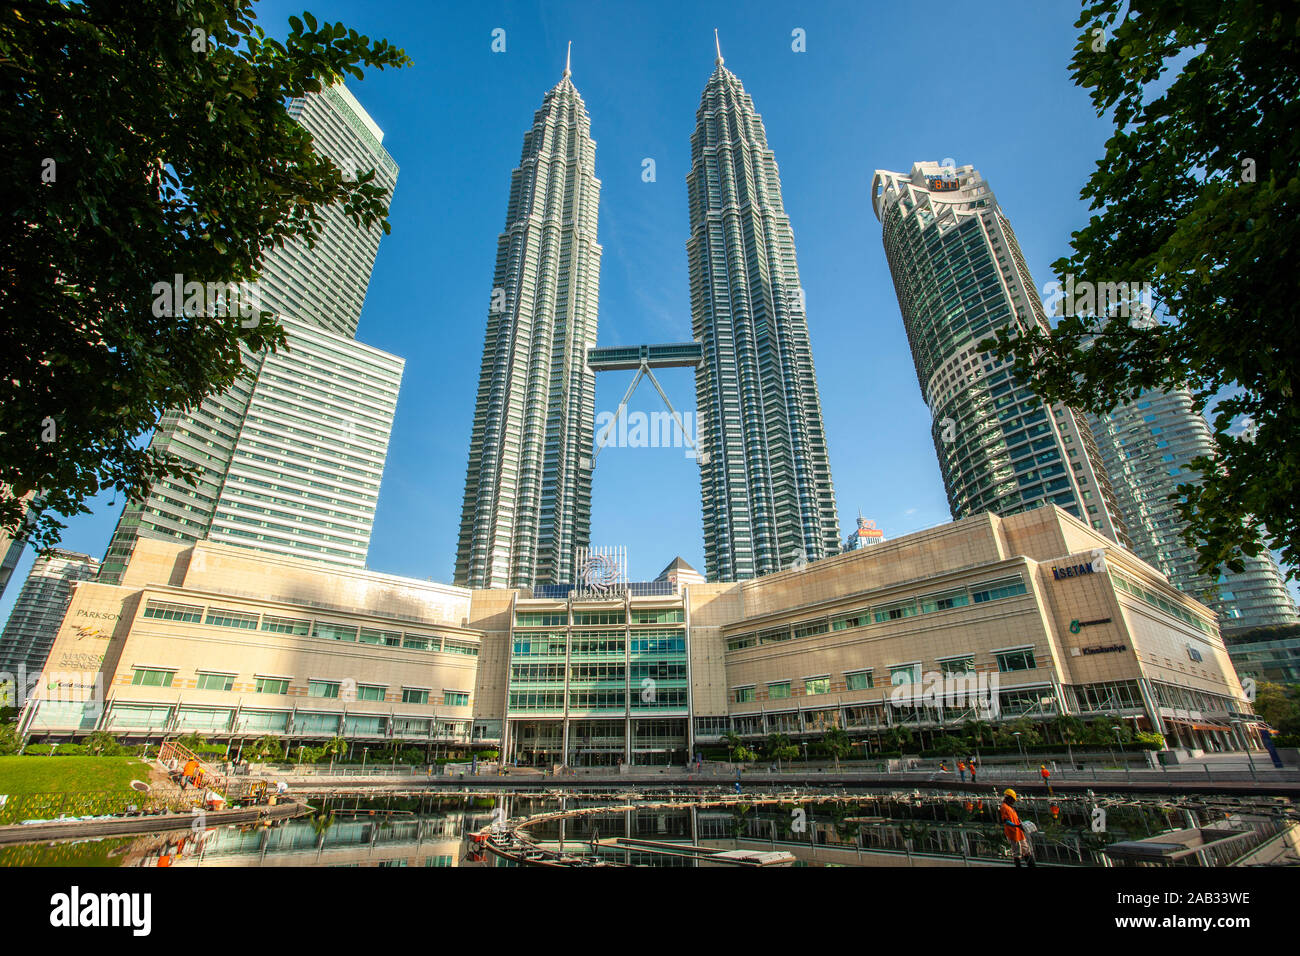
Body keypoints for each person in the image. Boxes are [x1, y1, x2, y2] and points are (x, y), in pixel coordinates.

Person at [1000, 789, 1036, 867]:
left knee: (1026, 850)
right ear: (1008, 798)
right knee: (1017, 852)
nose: (1013, 801)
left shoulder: (1010, 807)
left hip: (1019, 832)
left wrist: (1021, 824)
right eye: (1012, 800)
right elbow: (1005, 821)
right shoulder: (1004, 807)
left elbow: (1016, 819)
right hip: (1012, 833)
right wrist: (1016, 826)